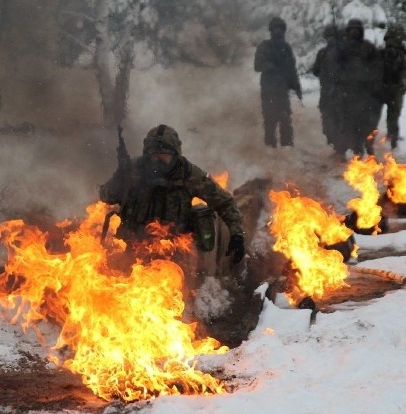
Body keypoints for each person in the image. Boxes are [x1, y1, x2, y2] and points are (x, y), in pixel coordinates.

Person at [99, 124, 246, 264]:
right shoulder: (133, 170)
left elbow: (224, 202)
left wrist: (237, 235)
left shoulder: (189, 175)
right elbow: (106, 196)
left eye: (164, 155)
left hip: (176, 251)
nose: (158, 160)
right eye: (154, 155)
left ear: (175, 154)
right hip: (133, 248)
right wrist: (118, 181)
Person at [335, 18, 383, 157]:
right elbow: (335, 68)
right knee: (346, 123)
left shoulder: (368, 47)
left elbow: (377, 66)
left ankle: (363, 148)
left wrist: (373, 83)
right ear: (348, 32)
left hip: (364, 93)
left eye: (357, 30)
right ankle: (344, 150)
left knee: (364, 123)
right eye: (352, 30)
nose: (355, 32)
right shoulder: (342, 48)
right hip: (347, 92)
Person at [254, 16, 302, 148]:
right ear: (271, 31)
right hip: (269, 90)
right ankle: (270, 149)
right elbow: (257, 66)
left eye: (281, 29)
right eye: (276, 29)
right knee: (270, 120)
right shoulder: (264, 47)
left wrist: (296, 86)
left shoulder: (286, 48)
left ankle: (287, 147)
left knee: (285, 119)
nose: (278, 32)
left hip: (282, 90)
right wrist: (270, 66)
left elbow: (292, 69)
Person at [312, 24, 343, 154]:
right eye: (329, 37)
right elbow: (315, 71)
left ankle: (340, 150)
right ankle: (334, 148)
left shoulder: (343, 53)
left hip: (340, 94)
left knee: (339, 123)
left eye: (333, 37)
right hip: (327, 94)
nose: (331, 40)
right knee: (328, 124)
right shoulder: (322, 54)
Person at [381, 26, 406, 149]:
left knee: (393, 115)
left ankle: (393, 136)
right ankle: (392, 136)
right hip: (387, 88)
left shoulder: (399, 55)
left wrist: (400, 77)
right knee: (393, 114)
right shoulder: (384, 54)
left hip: (394, 88)